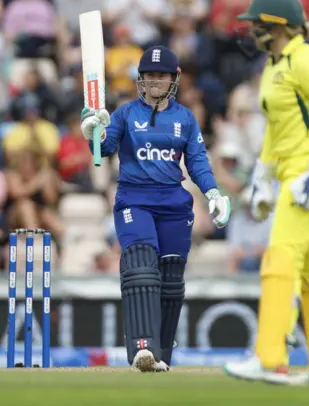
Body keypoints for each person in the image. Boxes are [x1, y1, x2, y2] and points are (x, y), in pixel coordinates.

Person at [224, 0, 309, 386]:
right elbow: (276, 132)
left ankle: (271, 357)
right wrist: (262, 178)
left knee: (278, 259)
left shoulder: (306, 60)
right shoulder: (273, 68)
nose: (251, 31)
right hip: (292, 175)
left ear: (276, 25)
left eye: (257, 24)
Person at [80, 45, 230, 372]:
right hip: (135, 200)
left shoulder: (185, 119)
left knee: (171, 282)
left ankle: (160, 356)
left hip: (174, 203)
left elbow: (198, 162)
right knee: (141, 269)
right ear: (141, 79)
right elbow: (103, 149)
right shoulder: (125, 114)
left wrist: (214, 193)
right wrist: (92, 129)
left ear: (174, 78)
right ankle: (141, 347)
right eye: (149, 76)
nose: (155, 81)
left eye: (161, 76)